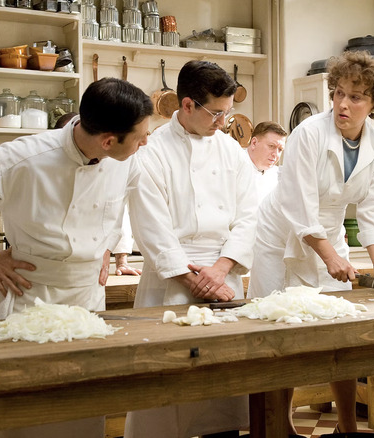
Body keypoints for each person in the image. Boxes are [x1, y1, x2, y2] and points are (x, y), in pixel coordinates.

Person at [0, 77, 152, 437]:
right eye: (140, 137)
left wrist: (106, 245)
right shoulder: (24, 157)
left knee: (79, 409)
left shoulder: (127, 160)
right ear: (108, 141)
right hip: (30, 295)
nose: (146, 142)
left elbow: (118, 203)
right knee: (17, 411)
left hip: (87, 300)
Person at [247, 50, 374, 434]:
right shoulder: (308, 134)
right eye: (338, 92)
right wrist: (329, 257)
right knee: (278, 332)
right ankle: (280, 426)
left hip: (330, 234)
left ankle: (347, 427)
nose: (342, 103)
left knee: (339, 335)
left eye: (356, 97)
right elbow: (298, 202)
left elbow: (373, 208)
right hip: (280, 234)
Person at [125, 60, 257, 438]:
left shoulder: (232, 152)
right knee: (165, 390)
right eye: (217, 113)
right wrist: (190, 276)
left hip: (224, 275)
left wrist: (220, 269)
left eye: (228, 113)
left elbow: (249, 215)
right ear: (186, 105)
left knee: (223, 391)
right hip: (170, 279)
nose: (223, 122)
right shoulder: (150, 151)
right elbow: (150, 224)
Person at [246, 121, 287, 203]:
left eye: (280, 149)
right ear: (254, 143)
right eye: (271, 146)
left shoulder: (278, 174)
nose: (276, 154)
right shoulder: (234, 166)